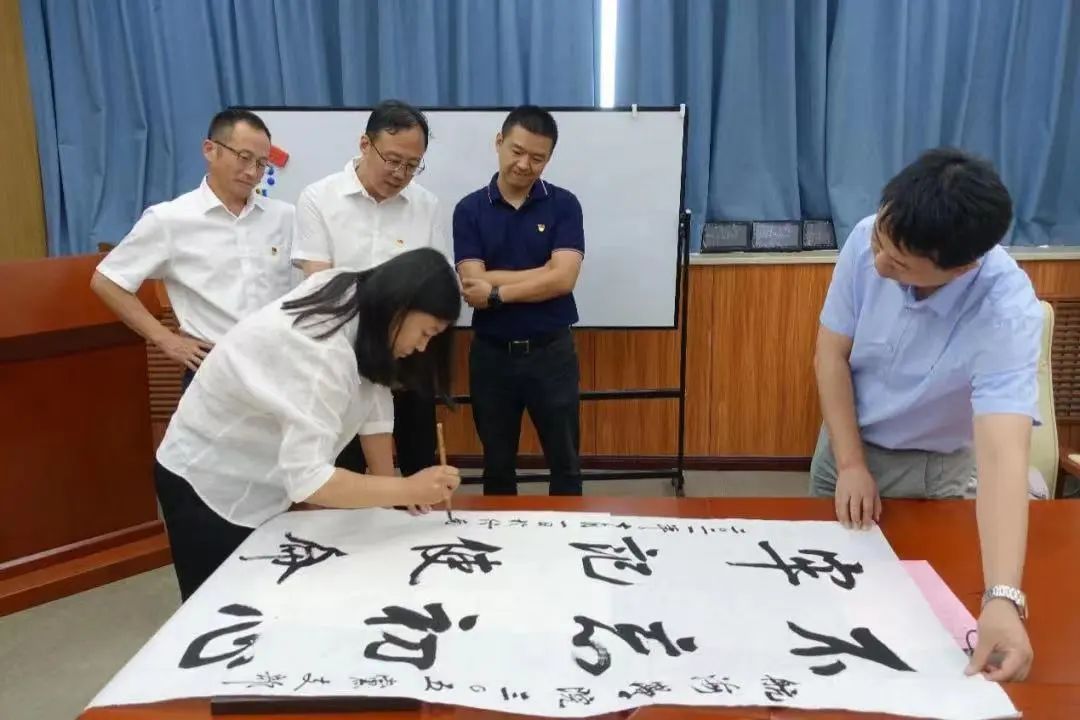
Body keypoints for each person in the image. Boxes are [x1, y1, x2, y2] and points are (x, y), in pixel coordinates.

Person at [812, 147, 1039, 681]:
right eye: (880, 243)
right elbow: (830, 355)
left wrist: (1003, 596)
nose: (879, 262)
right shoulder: (868, 238)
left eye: (900, 264)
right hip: (848, 444)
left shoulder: (1006, 311)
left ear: (961, 268)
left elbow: (1003, 454)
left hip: (940, 469)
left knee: (925, 620)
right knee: (830, 601)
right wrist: (850, 464)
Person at [154, 248, 462, 601]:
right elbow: (308, 480)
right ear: (400, 307)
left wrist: (392, 489)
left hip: (261, 467)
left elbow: (372, 388)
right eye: (426, 332)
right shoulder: (321, 352)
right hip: (209, 478)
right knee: (219, 608)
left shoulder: (357, 296)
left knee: (266, 597)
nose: (423, 347)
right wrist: (406, 489)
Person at [291, 100, 447, 488]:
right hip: (340, 359)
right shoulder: (318, 198)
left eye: (412, 165)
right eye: (393, 160)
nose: (400, 174)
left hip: (406, 359)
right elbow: (320, 287)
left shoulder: (426, 205)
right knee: (344, 471)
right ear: (365, 144)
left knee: (417, 469)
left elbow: (435, 284)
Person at [91, 108, 296, 391]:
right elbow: (107, 281)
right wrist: (166, 340)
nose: (252, 172)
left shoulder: (285, 217)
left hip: (280, 366)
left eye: (262, 163)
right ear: (210, 150)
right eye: (244, 157)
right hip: (215, 368)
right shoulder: (170, 219)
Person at [453, 106, 585, 496]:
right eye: (517, 151)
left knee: (565, 463)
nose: (525, 164)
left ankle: (568, 533)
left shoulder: (564, 205)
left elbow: (564, 279)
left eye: (537, 158)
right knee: (497, 466)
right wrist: (543, 272)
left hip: (552, 353)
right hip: (492, 356)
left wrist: (496, 291)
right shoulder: (469, 209)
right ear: (499, 142)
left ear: (549, 158)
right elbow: (472, 282)